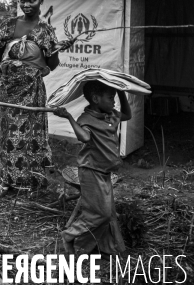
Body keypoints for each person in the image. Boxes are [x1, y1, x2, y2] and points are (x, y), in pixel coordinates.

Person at [0, 0, 72, 197]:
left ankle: (32, 181)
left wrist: (58, 50)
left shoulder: (46, 30)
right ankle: (7, 180)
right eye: (22, 0)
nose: (26, 4)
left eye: (31, 0)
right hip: (8, 90)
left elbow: (51, 63)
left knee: (30, 134)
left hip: (32, 91)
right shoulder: (8, 25)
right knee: (7, 134)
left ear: (41, 1)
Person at [54, 81, 130, 256]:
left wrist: (121, 91)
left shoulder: (111, 115)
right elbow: (85, 137)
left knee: (108, 213)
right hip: (91, 172)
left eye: (114, 97)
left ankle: (106, 246)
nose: (114, 101)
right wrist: (69, 118)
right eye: (110, 97)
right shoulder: (85, 119)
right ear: (96, 98)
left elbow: (127, 114)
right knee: (100, 213)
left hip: (105, 172)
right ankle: (69, 235)